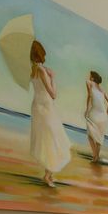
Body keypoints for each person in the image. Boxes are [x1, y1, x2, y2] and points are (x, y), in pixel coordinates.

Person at [29, 40, 70, 187]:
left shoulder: (32, 70)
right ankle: (48, 175)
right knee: (52, 139)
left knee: (47, 139)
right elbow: (53, 94)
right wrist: (52, 77)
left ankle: (49, 174)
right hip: (46, 107)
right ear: (41, 54)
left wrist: (46, 72)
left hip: (37, 107)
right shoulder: (40, 70)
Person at [83, 70, 108, 162]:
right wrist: (106, 114)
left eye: (90, 76)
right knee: (99, 138)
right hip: (103, 116)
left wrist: (87, 109)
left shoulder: (89, 83)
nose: (88, 77)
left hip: (94, 113)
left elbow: (89, 96)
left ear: (92, 78)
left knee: (90, 136)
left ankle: (95, 156)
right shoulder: (102, 89)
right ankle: (96, 157)